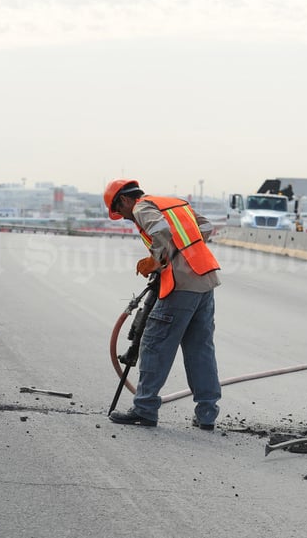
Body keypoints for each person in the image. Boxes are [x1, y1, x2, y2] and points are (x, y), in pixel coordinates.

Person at [103, 179, 222, 430]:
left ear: (124, 200)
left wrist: (158, 259)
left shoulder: (141, 208)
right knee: (200, 349)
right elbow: (207, 227)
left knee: (154, 344)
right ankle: (207, 414)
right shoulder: (175, 204)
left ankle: (144, 409)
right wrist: (182, 252)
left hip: (180, 287)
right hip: (204, 281)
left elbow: (160, 232)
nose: (127, 218)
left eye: (121, 213)